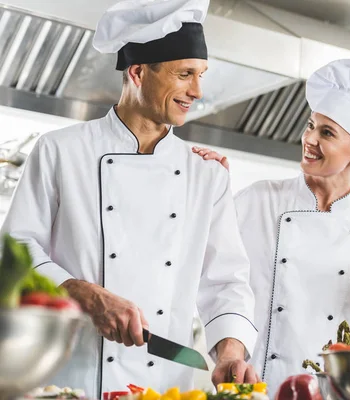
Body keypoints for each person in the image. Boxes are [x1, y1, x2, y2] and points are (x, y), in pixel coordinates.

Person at [0, 0, 258, 396]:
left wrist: (230, 351)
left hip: (161, 385)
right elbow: (16, 250)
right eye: (185, 74)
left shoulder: (205, 174)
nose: (197, 91)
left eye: (201, 75)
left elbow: (227, 281)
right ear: (138, 72)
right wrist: (81, 291)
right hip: (71, 376)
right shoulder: (60, 151)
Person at [193, 58, 350, 394]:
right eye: (311, 125)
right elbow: (211, 272)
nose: (309, 139)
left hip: (328, 391)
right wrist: (206, 194)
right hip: (253, 387)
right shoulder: (257, 200)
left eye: (326, 132)